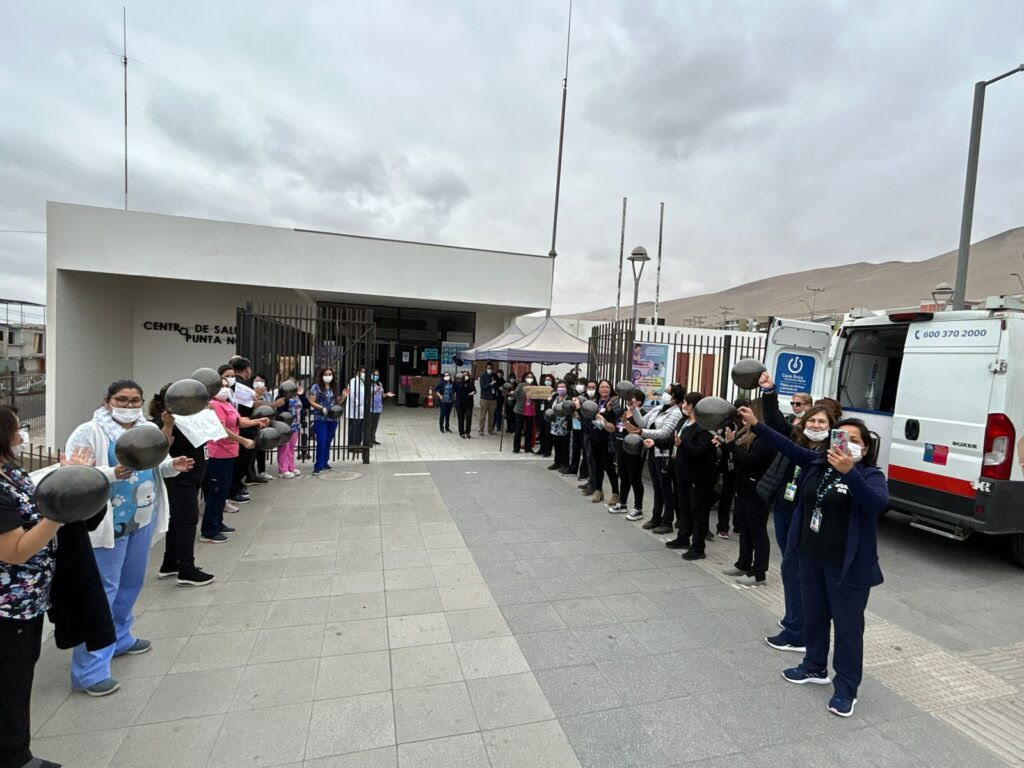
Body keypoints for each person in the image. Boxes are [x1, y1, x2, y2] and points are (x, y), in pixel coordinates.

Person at [739, 406, 888, 718]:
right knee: (815, 617)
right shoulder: (819, 462)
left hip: (847, 568)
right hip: (811, 558)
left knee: (847, 629)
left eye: (854, 440)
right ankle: (814, 666)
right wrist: (756, 425)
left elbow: (876, 505)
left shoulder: (870, 475)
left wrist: (850, 473)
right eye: (841, 437)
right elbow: (788, 446)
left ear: (865, 448)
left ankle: (846, 688)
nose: (846, 443)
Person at [65, 380, 194, 696]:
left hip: (141, 520)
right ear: (107, 400)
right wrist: (112, 473)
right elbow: (74, 476)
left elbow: (153, 467)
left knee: (131, 583)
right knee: (101, 592)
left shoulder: (146, 430)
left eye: (135, 400)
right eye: (122, 400)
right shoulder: (89, 432)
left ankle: (120, 637)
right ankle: (90, 669)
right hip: (107, 525)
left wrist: (172, 466)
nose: (129, 405)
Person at [0, 407, 98, 768]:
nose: (21, 435)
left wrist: (64, 476)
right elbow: (15, 551)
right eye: (16, 428)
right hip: (9, 607)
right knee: (11, 683)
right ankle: (14, 757)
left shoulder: (10, 470)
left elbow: (34, 502)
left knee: (19, 675)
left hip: (30, 598)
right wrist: (60, 510)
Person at [757, 372, 837, 653]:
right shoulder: (798, 441)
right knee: (790, 569)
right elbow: (775, 423)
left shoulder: (830, 454)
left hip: (806, 521)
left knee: (797, 572)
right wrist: (769, 391)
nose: (815, 425)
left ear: (831, 427)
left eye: (821, 422)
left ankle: (798, 633)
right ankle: (794, 619)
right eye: (811, 421)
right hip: (784, 511)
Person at [149, 385, 215, 586]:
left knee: (178, 522)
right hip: (179, 478)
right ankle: (186, 570)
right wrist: (168, 425)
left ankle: (170, 563)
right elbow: (159, 448)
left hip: (193, 477)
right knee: (187, 521)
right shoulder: (163, 421)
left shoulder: (190, 418)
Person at [716, 399, 775, 585]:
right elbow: (737, 454)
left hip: (757, 490)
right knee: (744, 529)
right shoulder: (747, 431)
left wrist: (731, 445)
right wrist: (725, 443)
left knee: (757, 531)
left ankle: (759, 573)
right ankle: (743, 563)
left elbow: (751, 459)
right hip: (742, 487)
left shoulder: (766, 436)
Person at [202, 377, 262, 543]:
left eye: (227, 386)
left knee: (223, 490)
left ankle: (218, 522)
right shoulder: (213, 406)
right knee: (216, 492)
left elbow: (238, 421)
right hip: (217, 453)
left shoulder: (227, 403)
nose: (225, 389)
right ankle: (209, 529)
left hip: (229, 453)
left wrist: (257, 421)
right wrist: (243, 441)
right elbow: (220, 430)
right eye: (221, 386)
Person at [668, 392, 717, 557]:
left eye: (685, 403)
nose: (683, 405)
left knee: (698, 511)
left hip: (698, 475)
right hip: (681, 471)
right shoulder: (683, 421)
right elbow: (674, 440)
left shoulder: (705, 427)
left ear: (692, 406)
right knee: (684, 508)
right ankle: (683, 537)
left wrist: (682, 444)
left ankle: (698, 547)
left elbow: (700, 450)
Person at [634, 384, 684, 534]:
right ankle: (655, 517)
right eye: (666, 391)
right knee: (657, 487)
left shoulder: (676, 413)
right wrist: (634, 409)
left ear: (676, 397)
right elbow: (642, 422)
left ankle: (667, 521)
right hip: (652, 451)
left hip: (664, 454)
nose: (665, 394)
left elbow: (664, 433)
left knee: (665, 488)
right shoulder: (658, 408)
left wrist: (642, 432)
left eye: (669, 392)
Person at [609, 389, 646, 520]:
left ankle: (638, 508)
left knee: (635, 479)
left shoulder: (642, 415)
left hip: (634, 451)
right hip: (621, 448)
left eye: (632, 398)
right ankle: (622, 503)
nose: (629, 401)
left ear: (639, 402)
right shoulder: (623, 412)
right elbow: (615, 426)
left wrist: (626, 423)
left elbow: (639, 431)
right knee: (623, 477)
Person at [587, 380, 619, 504]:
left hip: (608, 439)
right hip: (595, 437)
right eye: (602, 387)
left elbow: (616, 421)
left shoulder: (614, 403)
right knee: (597, 465)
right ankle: (598, 490)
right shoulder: (595, 403)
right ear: (598, 389)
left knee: (608, 466)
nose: (604, 389)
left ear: (610, 389)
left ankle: (615, 492)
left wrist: (608, 411)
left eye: (607, 387)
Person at [307, 368, 339, 475]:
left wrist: (344, 395)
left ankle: (325, 462)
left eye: (330, 374)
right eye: (326, 374)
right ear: (322, 375)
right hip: (320, 418)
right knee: (321, 441)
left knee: (328, 441)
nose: (328, 376)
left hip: (333, 418)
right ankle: (318, 465)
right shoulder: (316, 387)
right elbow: (311, 401)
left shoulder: (334, 387)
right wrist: (321, 408)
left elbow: (337, 402)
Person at [274, 378, 303, 478]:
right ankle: (283, 469)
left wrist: (301, 394)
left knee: (291, 447)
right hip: (285, 426)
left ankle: (291, 467)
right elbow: (280, 410)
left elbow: (306, 404)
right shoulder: (281, 397)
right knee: (284, 447)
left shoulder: (297, 396)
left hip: (295, 425)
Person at [547, 381, 571, 471]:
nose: (561, 388)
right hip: (555, 425)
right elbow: (550, 409)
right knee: (556, 445)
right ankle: (557, 462)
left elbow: (571, 410)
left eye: (563, 387)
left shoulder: (569, 398)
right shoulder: (554, 397)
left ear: (567, 388)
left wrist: (567, 420)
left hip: (564, 425)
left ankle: (565, 463)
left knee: (564, 446)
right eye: (559, 387)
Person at [512, 371, 538, 454]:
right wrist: (515, 392)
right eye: (528, 377)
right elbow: (515, 395)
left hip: (530, 411)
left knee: (529, 431)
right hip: (520, 410)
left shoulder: (535, 387)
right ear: (525, 378)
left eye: (531, 377)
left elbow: (538, 398)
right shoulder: (521, 385)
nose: (530, 378)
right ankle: (516, 448)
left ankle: (528, 447)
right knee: (518, 430)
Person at [366, 369, 394, 446]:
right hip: (371, 408)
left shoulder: (379, 384)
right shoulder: (368, 384)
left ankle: (372, 439)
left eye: (377, 375)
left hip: (378, 408)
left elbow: (382, 395)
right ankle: (368, 440)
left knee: (375, 425)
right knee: (369, 425)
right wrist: (375, 391)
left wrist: (387, 394)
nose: (376, 376)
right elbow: (368, 396)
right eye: (374, 375)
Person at [344, 367, 367, 448]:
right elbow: (352, 394)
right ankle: (352, 446)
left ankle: (357, 445)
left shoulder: (363, 381)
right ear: (358, 372)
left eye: (365, 372)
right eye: (363, 372)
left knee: (359, 429)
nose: (364, 374)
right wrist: (357, 404)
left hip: (361, 409)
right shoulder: (353, 381)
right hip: (355, 409)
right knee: (354, 429)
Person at [536, 373, 556, 457]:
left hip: (549, 414)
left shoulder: (554, 391)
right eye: (546, 380)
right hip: (541, 413)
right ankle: (542, 449)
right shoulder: (542, 390)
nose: (547, 381)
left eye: (549, 380)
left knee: (548, 433)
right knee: (542, 432)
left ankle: (547, 451)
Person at [454, 371, 477, 438]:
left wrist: (473, 392)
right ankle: (461, 432)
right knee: (461, 418)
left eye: (467, 375)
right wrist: (463, 381)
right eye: (464, 375)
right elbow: (458, 389)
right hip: (460, 403)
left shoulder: (471, 382)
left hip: (468, 403)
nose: (465, 376)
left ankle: (468, 432)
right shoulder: (458, 383)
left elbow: (474, 390)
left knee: (468, 417)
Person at [478, 363, 499, 436]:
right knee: (483, 415)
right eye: (488, 368)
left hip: (493, 399)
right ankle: (481, 430)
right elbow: (483, 387)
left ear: (493, 369)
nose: (490, 370)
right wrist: (490, 384)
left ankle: (490, 430)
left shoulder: (495, 375)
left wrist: (496, 385)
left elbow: (498, 384)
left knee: (492, 416)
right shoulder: (483, 376)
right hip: (485, 398)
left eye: (491, 368)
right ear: (486, 368)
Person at [492, 368, 506, 433]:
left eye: (500, 374)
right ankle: (492, 425)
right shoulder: (494, 381)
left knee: (499, 412)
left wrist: (502, 389)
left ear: (502, 375)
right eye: (498, 374)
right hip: (494, 398)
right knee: (494, 412)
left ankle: (498, 426)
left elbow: (505, 391)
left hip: (500, 399)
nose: (499, 375)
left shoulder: (504, 382)